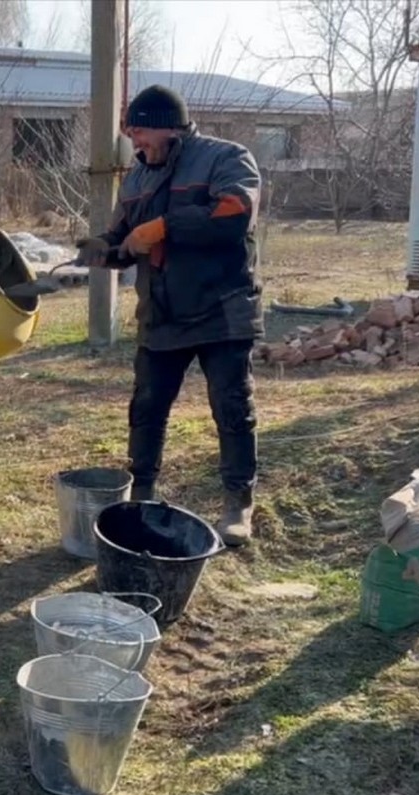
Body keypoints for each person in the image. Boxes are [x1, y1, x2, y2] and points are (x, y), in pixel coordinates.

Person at [77, 84, 263, 547]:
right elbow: (125, 239)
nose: (134, 142)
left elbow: (235, 213)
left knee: (232, 408)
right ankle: (140, 495)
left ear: (166, 125)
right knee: (146, 408)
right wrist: (102, 249)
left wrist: (163, 227)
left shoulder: (225, 157)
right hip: (162, 313)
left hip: (221, 309)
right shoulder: (137, 179)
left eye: (138, 131)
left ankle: (239, 504)